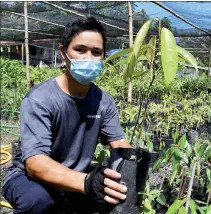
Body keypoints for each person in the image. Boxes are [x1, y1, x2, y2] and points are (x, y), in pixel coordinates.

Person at [2, 17, 131, 214]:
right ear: (63, 53)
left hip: (75, 176)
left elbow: (119, 143)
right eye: (80, 50)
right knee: (38, 201)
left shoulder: (103, 101)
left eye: (96, 52)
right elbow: (35, 164)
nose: (88, 58)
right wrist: (87, 182)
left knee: (112, 199)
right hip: (28, 177)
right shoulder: (40, 99)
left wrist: (133, 164)